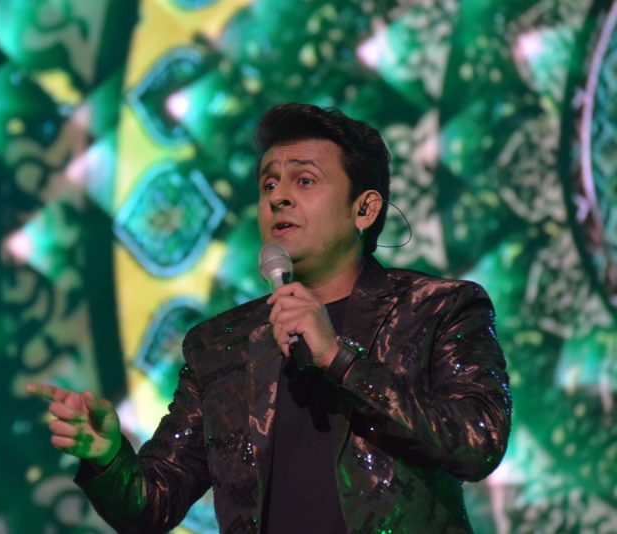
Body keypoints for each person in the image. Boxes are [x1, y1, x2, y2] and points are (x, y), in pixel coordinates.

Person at [28, 103, 511, 533]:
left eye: (305, 181)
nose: (278, 197)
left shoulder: (438, 309)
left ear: (364, 209)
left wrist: (339, 358)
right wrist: (110, 458)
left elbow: (478, 441)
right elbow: (155, 503)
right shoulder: (220, 344)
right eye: (269, 184)